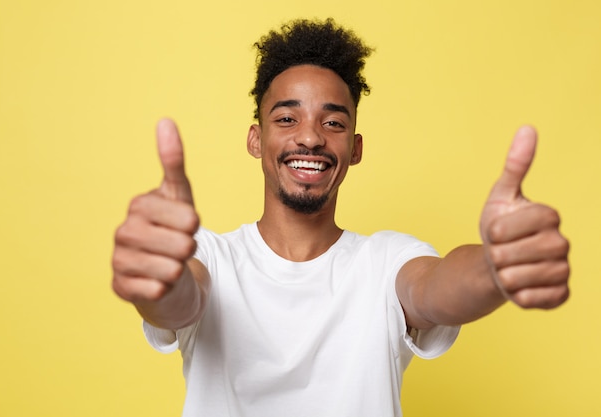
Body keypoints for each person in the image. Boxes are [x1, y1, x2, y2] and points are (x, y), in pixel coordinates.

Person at [111, 18, 570, 417]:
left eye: (333, 123)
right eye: (287, 119)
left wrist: (498, 266)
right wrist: (160, 276)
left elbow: (436, 289)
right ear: (256, 140)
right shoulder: (211, 256)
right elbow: (180, 299)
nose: (310, 138)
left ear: (355, 148)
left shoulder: (386, 259)